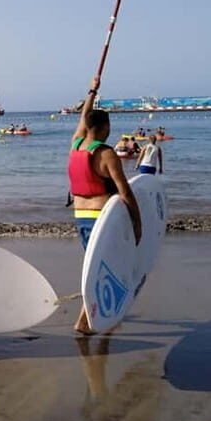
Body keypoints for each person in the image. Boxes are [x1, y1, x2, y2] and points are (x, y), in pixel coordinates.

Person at [67, 77, 142, 335]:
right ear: (105, 126)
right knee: (107, 267)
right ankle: (86, 321)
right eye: (109, 125)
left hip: (81, 217)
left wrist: (91, 90)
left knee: (96, 265)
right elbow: (125, 192)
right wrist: (137, 222)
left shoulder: (76, 144)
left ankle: (96, 317)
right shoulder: (106, 154)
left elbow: (82, 119)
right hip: (103, 217)